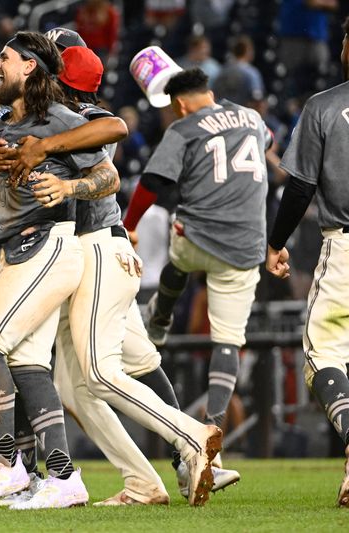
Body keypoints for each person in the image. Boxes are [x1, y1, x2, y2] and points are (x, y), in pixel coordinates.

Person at [0, 31, 121, 509]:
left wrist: (68, 190)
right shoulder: (1, 124)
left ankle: (5, 464)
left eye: (4, 58)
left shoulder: (56, 117)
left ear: (29, 67)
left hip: (49, 246)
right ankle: (63, 478)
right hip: (16, 248)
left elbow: (110, 169)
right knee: (26, 364)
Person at [122, 68, 272, 469]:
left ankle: (160, 317)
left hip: (197, 237)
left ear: (181, 104)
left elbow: (153, 181)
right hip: (246, 247)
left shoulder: (184, 128)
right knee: (227, 342)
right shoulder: (253, 118)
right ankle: (213, 431)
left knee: (178, 260)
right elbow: (269, 141)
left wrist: (130, 224)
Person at [265, 16, 349, 508]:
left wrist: (277, 242)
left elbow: (300, 187)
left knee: (323, 354)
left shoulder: (324, 106)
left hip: (344, 250)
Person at [211, 35, 265, 107]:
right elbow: (257, 99)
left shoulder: (222, 70)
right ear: (247, 51)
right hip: (243, 114)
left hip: (223, 114)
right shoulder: (251, 73)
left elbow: (213, 96)